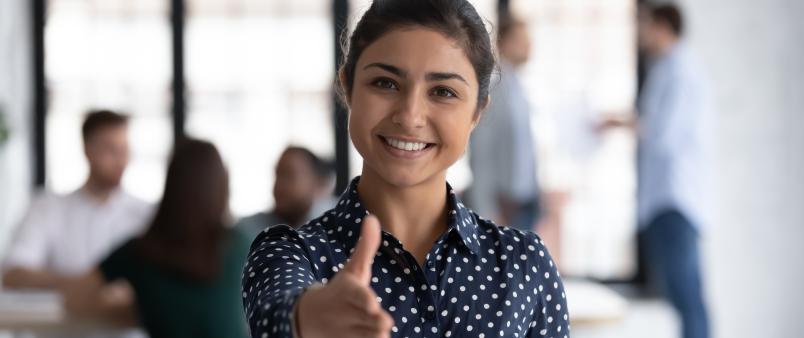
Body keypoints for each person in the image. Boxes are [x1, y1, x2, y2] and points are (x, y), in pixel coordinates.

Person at [241, 1, 569, 338]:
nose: (410, 116)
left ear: (478, 112)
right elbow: (276, 313)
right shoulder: (290, 252)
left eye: (443, 91)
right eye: (385, 83)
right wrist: (305, 320)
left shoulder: (525, 263)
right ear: (347, 88)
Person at [63, 139, 251, 338]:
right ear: (221, 187)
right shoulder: (239, 246)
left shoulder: (137, 252)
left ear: (170, 184)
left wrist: (140, 307)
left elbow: (73, 299)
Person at [600, 4, 710, 338]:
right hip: (667, 198)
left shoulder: (681, 71)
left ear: (662, 26)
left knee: (687, 297)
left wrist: (625, 123)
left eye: (645, 25)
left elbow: (663, 134)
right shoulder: (667, 68)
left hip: (675, 199)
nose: (641, 33)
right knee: (681, 297)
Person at [2, 111, 151, 330]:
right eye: (111, 150)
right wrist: (87, 286)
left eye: (124, 150)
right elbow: (13, 274)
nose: (120, 160)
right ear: (87, 150)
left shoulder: (147, 215)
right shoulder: (48, 208)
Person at [467, 13, 541, 232]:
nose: (528, 46)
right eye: (521, 40)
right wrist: (486, 210)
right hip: (503, 203)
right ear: (503, 44)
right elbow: (481, 149)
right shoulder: (494, 86)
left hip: (524, 198)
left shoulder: (517, 84)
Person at [235, 146, 333, 239]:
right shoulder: (248, 230)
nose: (279, 185)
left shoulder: (334, 224)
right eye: (277, 175)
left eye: (288, 175)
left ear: (315, 183)